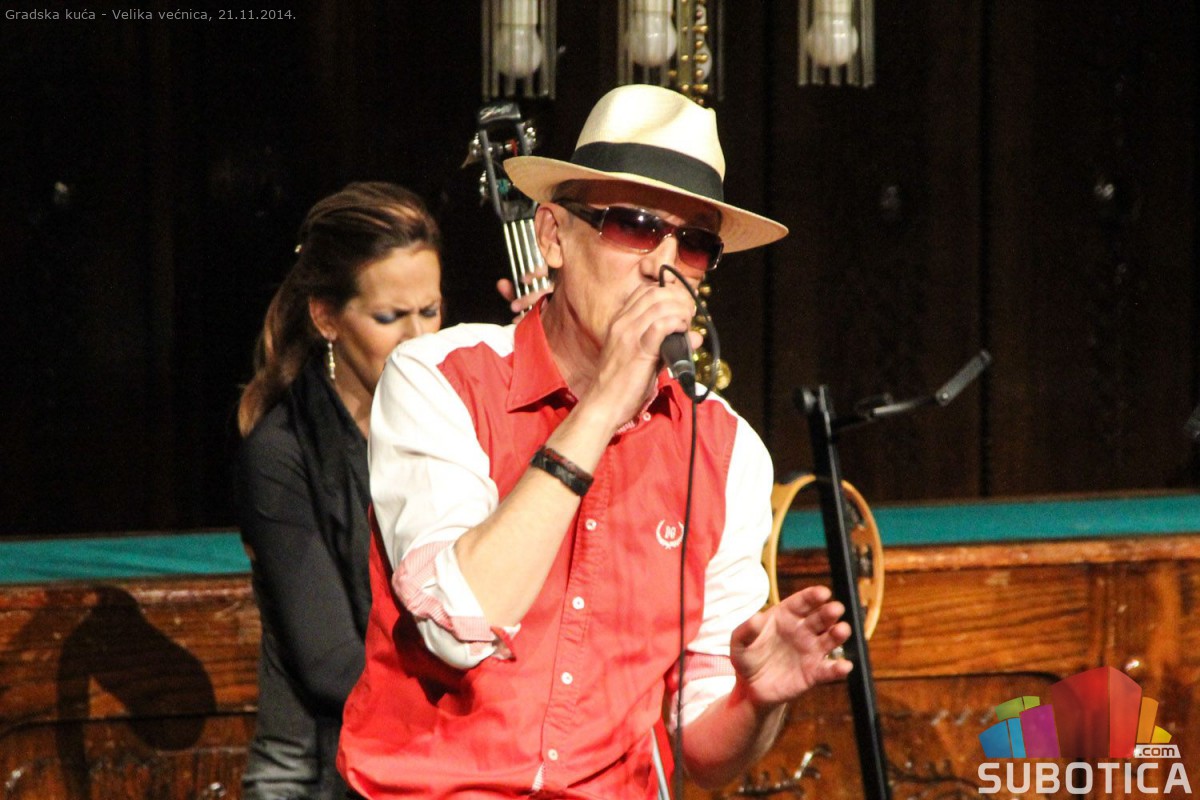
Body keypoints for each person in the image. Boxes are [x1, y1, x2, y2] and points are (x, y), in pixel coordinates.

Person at [337, 85, 853, 798]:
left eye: (694, 243)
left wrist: (757, 700)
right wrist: (605, 402)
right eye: (634, 225)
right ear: (552, 237)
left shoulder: (728, 450)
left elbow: (705, 751)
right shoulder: (439, 380)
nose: (663, 265)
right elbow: (457, 626)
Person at [235, 181, 444, 799]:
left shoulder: (455, 427)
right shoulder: (281, 453)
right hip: (318, 776)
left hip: (433, 761)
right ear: (327, 317)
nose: (418, 339)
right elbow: (332, 665)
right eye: (389, 317)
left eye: (430, 311)